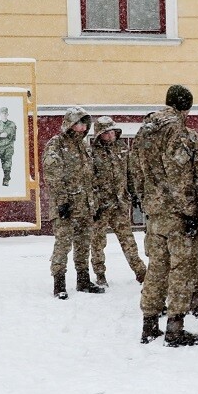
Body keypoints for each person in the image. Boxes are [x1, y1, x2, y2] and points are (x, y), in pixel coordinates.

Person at [131, 85, 198, 347]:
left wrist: (144, 199)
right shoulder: (179, 132)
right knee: (181, 269)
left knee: (157, 268)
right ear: (186, 107)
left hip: (154, 212)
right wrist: (190, 211)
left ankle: (149, 324)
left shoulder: (145, 129)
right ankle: (175, 327)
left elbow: (136, 171)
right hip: (176, 211)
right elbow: (180, 175)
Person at [43, 106, 105, 299]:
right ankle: (59, 283)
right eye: (79, 123)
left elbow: (90, 177)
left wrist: (94, 204)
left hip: (85, 206)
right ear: (70, 124)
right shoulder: (57, 144)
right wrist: (62, 202)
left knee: (83, 243)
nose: (82, 127)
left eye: (85, 123)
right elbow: (53, 175)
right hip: (66, 206)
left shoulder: (84, 146)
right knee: (63, 244)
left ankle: (83, 280)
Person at [90, 116, 147, 286]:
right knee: (98, 242)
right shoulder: (92, 154)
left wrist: (134, 194)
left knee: (128, 241)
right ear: (100, 134)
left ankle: (140, 271)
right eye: (106, 132)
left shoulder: (122, 149)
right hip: (101, 206)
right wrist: (94, 204)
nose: (111, 135)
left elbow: (129, 174)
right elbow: (89, 181)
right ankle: (100, 273)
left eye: (112, 131)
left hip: (120, 204)